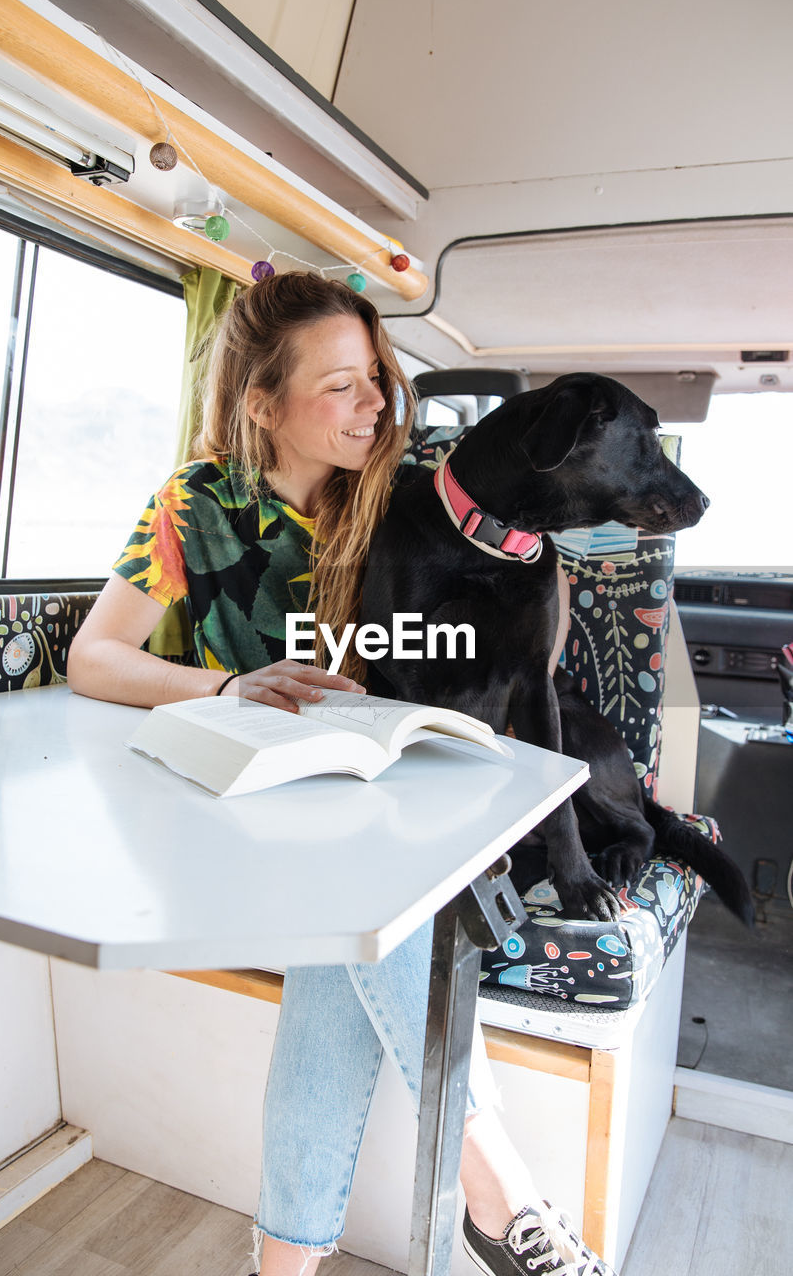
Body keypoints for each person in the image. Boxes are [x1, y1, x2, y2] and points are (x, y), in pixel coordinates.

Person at [68, 271, 617, 1276]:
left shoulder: (414, 498)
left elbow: (517, 639)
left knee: (357, 940)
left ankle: (284, 1265)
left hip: (376, 821)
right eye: (340, 386)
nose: (374, 404)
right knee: (376, 918)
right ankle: (503, 1197)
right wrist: (230, 682)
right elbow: (94, 658)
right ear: (262, 405)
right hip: (233, 822)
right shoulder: (190, 508)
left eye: (377, 377)